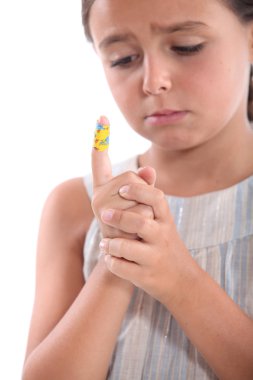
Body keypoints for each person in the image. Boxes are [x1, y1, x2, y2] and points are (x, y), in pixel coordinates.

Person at [22, 0, 253, 379]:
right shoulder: (74, 208)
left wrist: (179, 279)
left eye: (186, 46)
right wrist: (118, 252)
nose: (153, 81)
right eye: (123, 58)